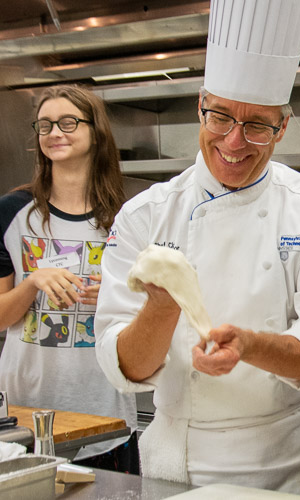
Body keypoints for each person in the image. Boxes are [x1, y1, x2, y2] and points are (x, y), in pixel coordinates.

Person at [94, 0, 300, 496]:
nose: (234, 141)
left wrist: (250, 346)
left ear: (282, 126)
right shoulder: (145, 215)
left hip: (294, 465)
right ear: (200, 104)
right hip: (185, 465)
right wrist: (161, 306)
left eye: (257, 124)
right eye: (220, 118)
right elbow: (120, 366)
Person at [0, 84, 139, 472]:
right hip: (25, 413)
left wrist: (115, 296)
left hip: (105, 410)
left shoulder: (128, 218)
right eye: (44, 126)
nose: (54, 133)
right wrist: (32, 282)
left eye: (67, 122)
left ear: (96, 133)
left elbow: (151, 309)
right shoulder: (12, 212)